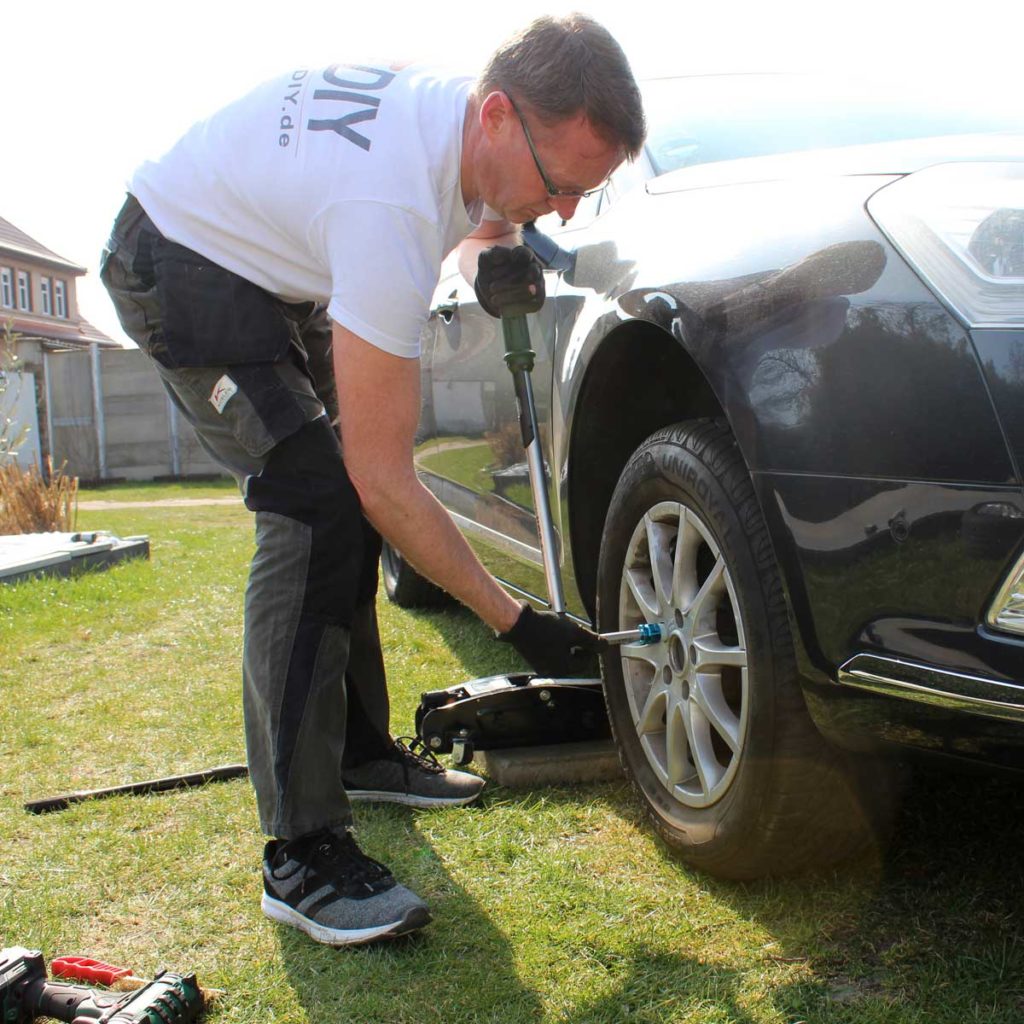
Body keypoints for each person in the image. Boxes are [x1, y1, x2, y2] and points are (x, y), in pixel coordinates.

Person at [100, 13, 646, 947]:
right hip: (180, 261)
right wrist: (515, 621)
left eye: (582, 196)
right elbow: (385, 481)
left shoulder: (451, 114)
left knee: (337, 495)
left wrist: (490, 246)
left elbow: (474, 208)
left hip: (273, 272)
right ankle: (300, 853)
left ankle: (354, 752)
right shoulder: (386, 207)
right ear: (502, 115)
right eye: (561, 186)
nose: (560, 211)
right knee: (317, 498)